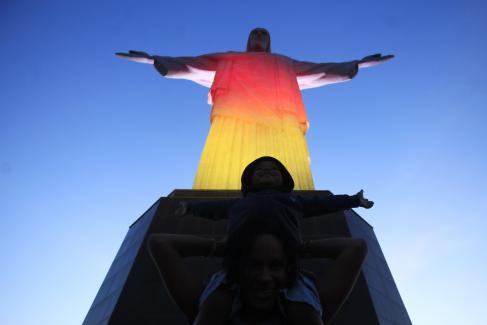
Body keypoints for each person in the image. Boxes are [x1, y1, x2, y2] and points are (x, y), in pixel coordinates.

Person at [116, 28, 393, 190]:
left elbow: (320, 71)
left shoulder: (283, 62)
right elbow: (192, 65)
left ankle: (290, 193)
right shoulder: (229, 59)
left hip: (281, 122)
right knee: (223, 172)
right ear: (248, 40)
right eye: (255, 34)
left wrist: (356, 64)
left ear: (269, 41)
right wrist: (154, 59)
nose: (259, 37)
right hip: (235, 118)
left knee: (286, 166)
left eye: (263, 34)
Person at [148, 217, 368, 324]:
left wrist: (294, 247)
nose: (264, 278)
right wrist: (226, 247)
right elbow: (159, 243)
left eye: (275, 265)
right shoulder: (212, 308)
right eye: (252, 264)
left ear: (289, 270)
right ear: (236, 269)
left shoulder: (304, 312)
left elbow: (356, 247)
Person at [174, 156, 374, 246]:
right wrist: (190, 207)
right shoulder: (238, 203)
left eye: (273, 170)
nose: (266, 172)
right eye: (259, 171)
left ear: (284, 178)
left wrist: (354, 200)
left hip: (287, 253)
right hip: (240, 254)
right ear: (249, 180)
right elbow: (214, 208)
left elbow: (322, 204)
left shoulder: (294, 200)